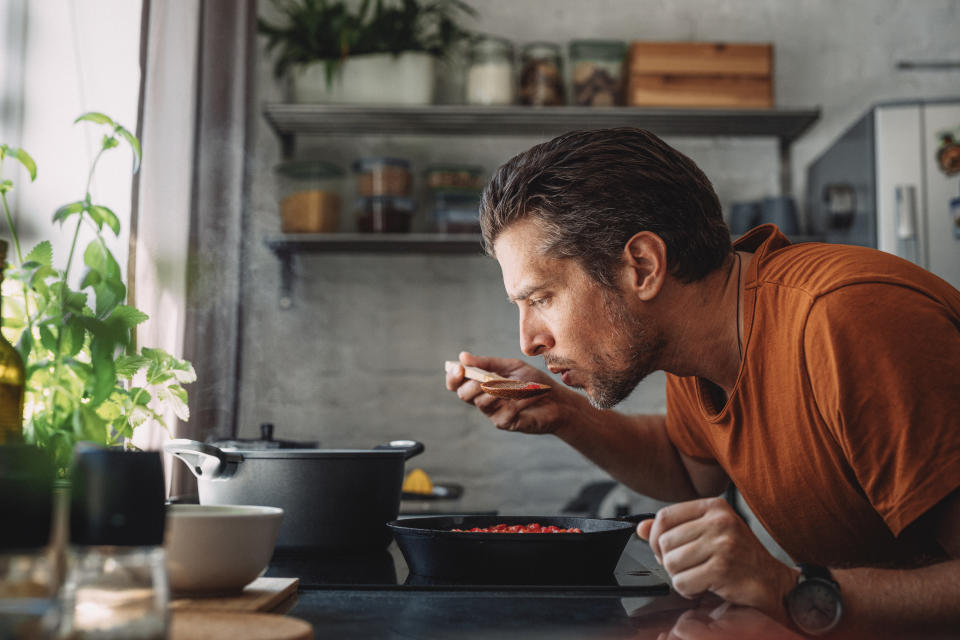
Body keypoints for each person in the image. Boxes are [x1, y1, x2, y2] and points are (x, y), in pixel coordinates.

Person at [445, 128, 960, 638]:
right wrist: (565, 413)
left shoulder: (848, 321)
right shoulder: (694, 342)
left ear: (642, 266)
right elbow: (691, 473)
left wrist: (788, 589)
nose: (529, 341)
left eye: (542, 299)